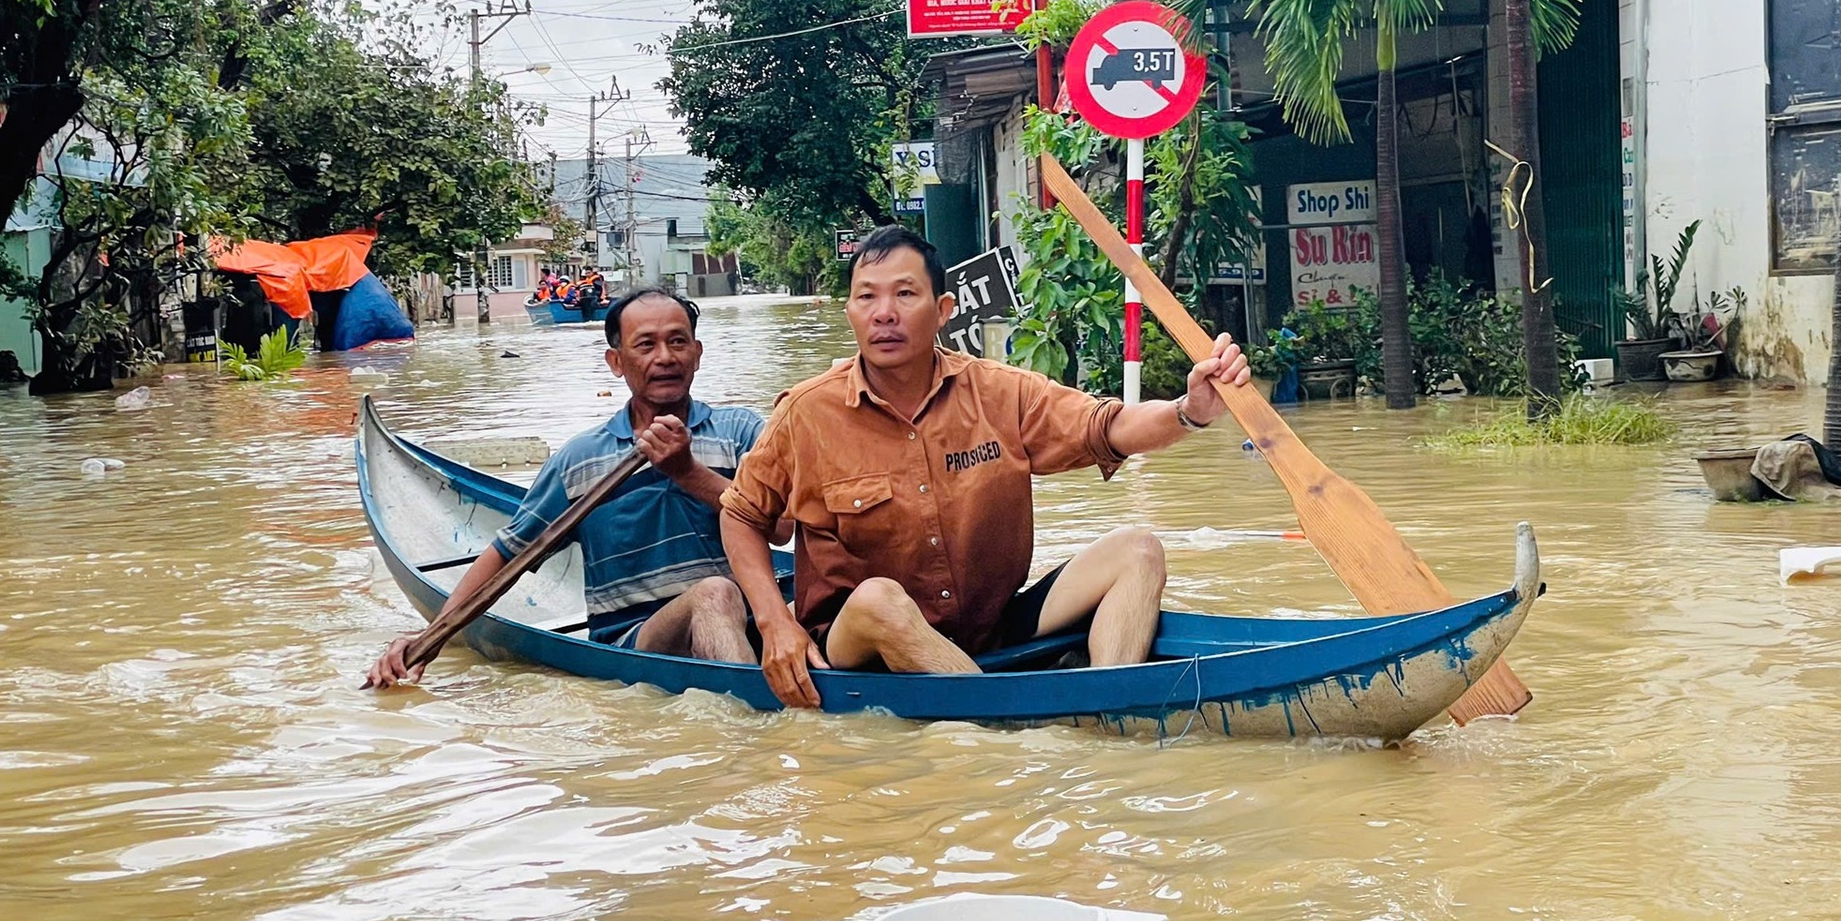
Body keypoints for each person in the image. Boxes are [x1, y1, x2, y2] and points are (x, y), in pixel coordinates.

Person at [719, 225, 1251, 709]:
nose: (884, 312)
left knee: (1139, 548)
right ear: (851, 313)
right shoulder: (808, 412)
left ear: (943, 308)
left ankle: (1105, 712)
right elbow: (741, 515)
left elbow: (1106, 427)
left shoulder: (1000, 391)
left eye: (905, 294)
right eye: (867, 297)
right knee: (880, 599)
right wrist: (774, 622)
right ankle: (1010, 727)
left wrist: (1191, 412)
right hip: (858, 643)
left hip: (988, 629)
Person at [365, 288, 787, 687]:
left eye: (678, 342)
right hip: (636, 642)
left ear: (697, 354)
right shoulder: (580, 461)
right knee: (715, 594)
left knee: (734, 598)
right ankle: (753, 732)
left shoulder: (742, 434)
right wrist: (429, 637)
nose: (665, 357)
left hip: (752, 628)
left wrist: (688, 472)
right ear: (616, 362)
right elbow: (508, 557)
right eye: (645, 345)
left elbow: (783, 529)